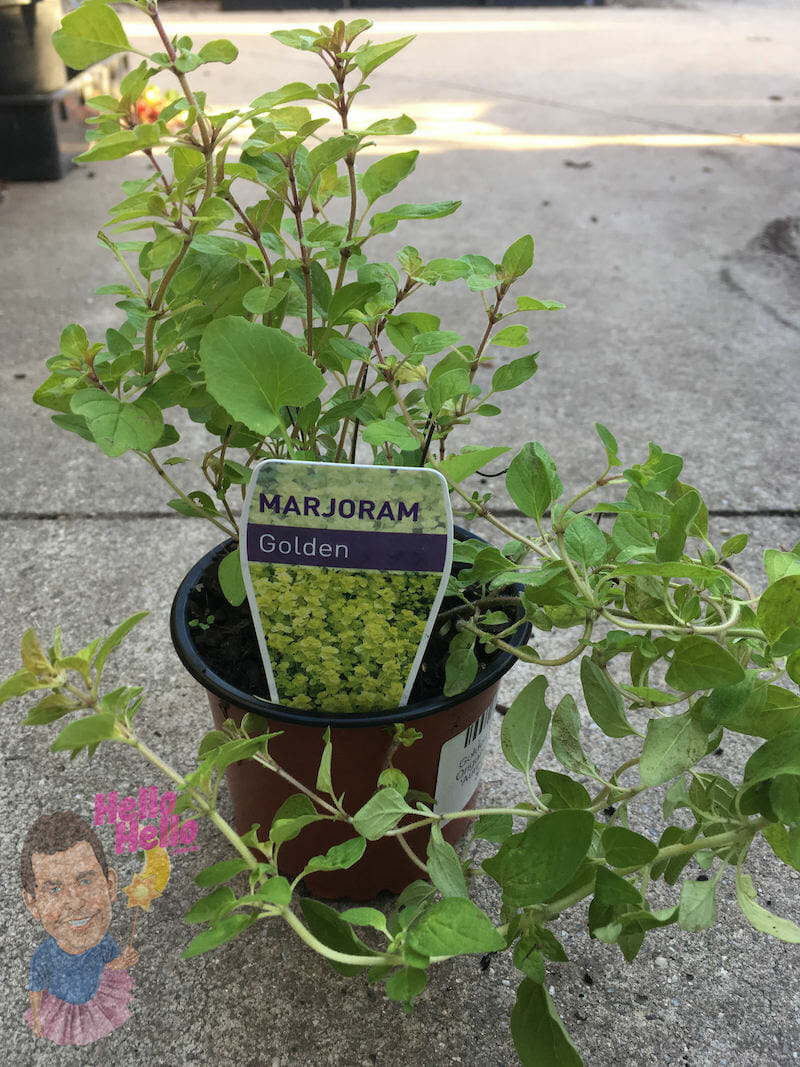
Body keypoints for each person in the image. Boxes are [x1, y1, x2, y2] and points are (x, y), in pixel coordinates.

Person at [21, 810, 137, 1045]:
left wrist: (123, 961)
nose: (75, 903)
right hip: (61, 1008)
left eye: (85, 881)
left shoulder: (104, 942)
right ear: (33, 904)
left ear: (110, 885)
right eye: (54, 889)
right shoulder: (43, 956)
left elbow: (110, 966)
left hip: (96, 1000)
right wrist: (37, 1018)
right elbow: (36, 990)